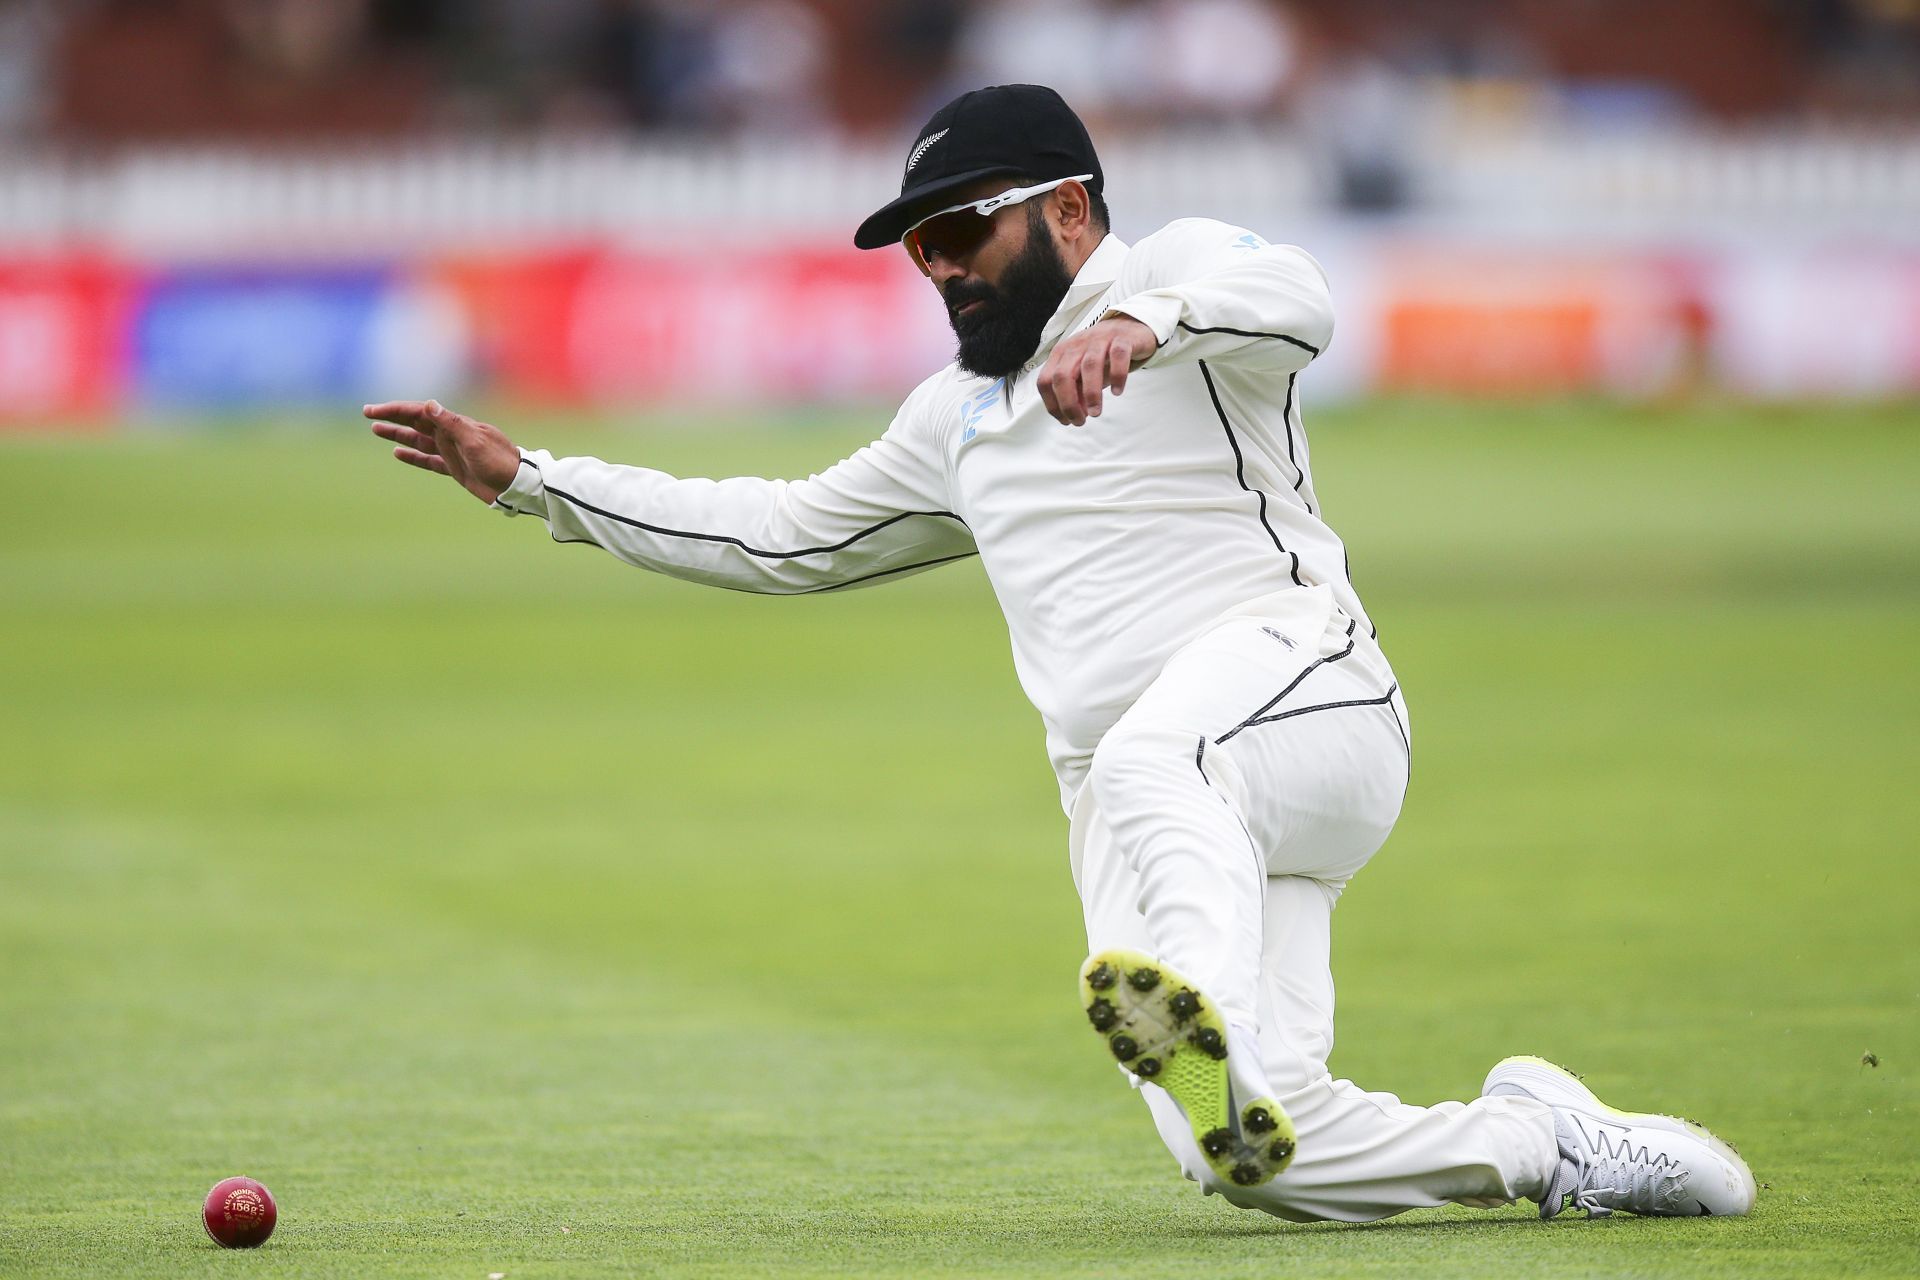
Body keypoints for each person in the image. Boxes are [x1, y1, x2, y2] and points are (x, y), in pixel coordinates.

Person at [366, 84, 1755, 1223]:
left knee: (1165, 753)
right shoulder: (952, 421)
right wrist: (530, 480)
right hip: (1140, 806)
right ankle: (1542, 1142)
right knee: (1254, 1157)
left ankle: (1192, 999)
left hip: (1307, 703)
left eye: (961, 232)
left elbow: (1300, 294)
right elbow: (778, 536)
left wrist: (1145, 328)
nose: (943, 268)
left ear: (1071, 209)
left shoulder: (1184, 284)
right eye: (920, 251)